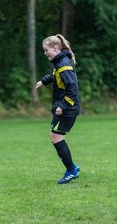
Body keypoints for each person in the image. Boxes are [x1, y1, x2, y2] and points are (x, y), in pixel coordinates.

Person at [36, 34, 81, 184]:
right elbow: (56, 77)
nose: (45, 53)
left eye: (46, 50)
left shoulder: (64, 65)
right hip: (63, 108)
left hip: (67, 109)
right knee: (54, 137)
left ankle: (71, 170)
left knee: (56, 138)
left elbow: (72, 90)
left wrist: (63, 106)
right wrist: (44, 81)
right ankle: (72, 167)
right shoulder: (59, 63)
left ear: (55, 48)